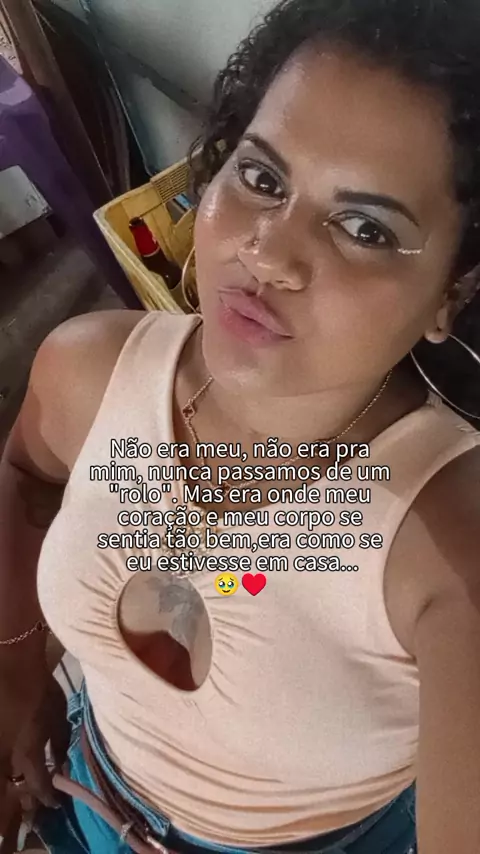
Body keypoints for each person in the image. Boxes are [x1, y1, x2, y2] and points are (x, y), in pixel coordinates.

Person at [1, 0, 480, 851]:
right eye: (262, 178)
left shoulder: (445, 549)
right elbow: (27, 481)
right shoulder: (91, 370)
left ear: (453, 292)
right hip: (86, 794)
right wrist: (17, 669)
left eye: (365, 227)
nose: (268, 251)